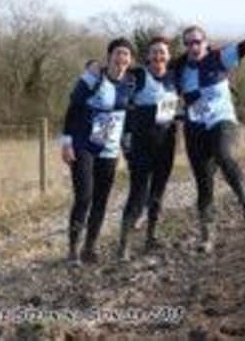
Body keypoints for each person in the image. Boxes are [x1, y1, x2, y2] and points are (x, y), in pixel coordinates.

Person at [174, 10, 245, 253]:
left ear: (205, 42)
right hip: (195, 127)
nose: (194, 46)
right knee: (204, 185)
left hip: (222, 121)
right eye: (188, 43)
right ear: (184, 46)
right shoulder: (180, 69)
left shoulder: (220, 58)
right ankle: (207, 236)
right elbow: (150, 73)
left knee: (223, 155)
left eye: (198, 41)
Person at [61, 38, 136, 266]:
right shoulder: (93, 77)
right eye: (118, 53)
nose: (121, 58)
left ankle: (90, 247)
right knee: (84, 196)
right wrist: (66, 142)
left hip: (110, 150)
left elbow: (130, 117)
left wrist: (127, 142)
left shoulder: (132, 83)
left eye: (126, 55)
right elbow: (73, 108)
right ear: (109, 56)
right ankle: (73, 249)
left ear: (130, 60)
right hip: (84, 145)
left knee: (101, 200)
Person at [116, 36, 179, 262]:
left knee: (157, 193)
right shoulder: (138, 75)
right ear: (148, 56)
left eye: (162, 52)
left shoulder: (174, 77)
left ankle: (151, 237)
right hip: (142, 144)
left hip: (167, 142)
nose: (158, 56)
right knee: (138, 192)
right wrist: (126, 139)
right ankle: (123, 244)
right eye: (154, 52)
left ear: (168, 56)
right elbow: (124, 102)